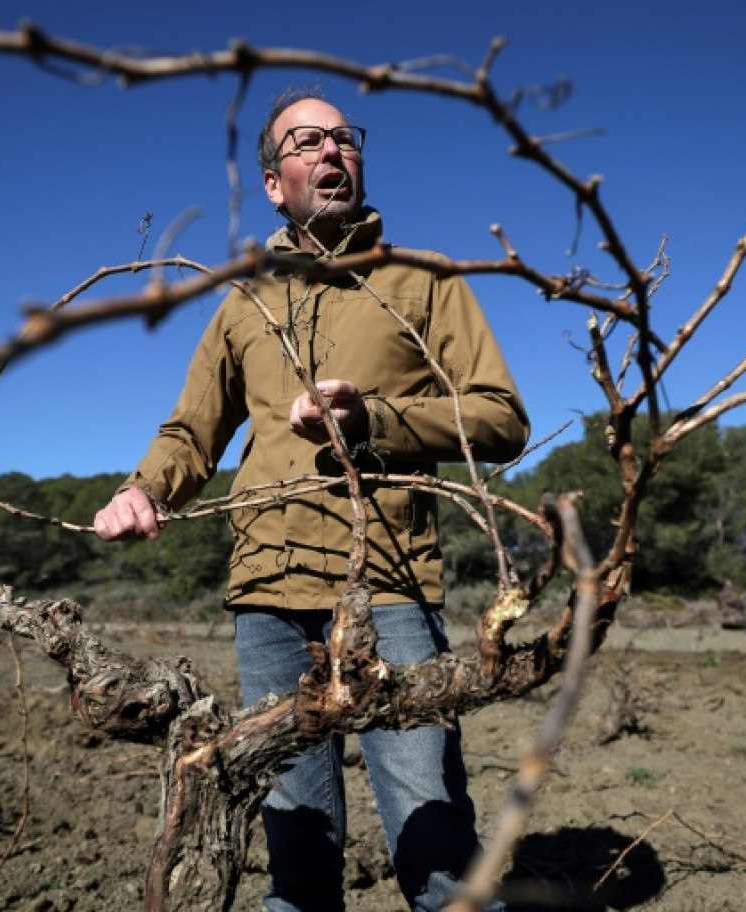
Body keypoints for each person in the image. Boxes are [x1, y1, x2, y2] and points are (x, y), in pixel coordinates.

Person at [94, 88, 528, 912]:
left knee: (435, 850)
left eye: (344, 138)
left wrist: (377, 417)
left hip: (389, 587)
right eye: (306, 142)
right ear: (272, 181)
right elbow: (191, 432)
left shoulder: (424, 280)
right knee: (296, 851)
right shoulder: (243, 303)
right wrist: (141, 489)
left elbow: (501, 418)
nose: (331, 152)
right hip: (267, 597)